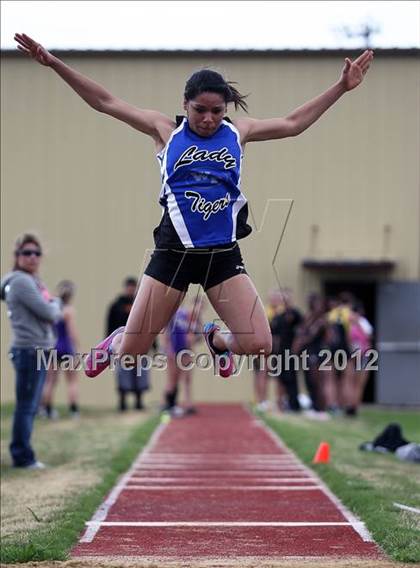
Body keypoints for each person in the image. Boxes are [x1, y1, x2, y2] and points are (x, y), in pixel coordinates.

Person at [14, 33, 374, 378]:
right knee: (130, 355)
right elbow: (105, 102)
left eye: (217, 111)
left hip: (221, 254)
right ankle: (113, 344)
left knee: (261, 344)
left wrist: (341, 87)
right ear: (185, 104)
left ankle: (217, 340)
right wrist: (53, 63)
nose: (208, 119)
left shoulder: (239, 132)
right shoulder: (165, 130)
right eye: (200, 110)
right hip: (173, 253)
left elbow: (294, 124)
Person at [1, 233, 62, 469]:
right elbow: (50, 314)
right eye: (27, 253)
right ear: (17, 256)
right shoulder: (21, 281)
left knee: (30, 405)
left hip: (36, 349)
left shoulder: (33, 280)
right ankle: (22, 456)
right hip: (29, 350)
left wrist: (52, 304)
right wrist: (56, 303)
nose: (33, 257)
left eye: (37, 253)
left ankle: (22, 452)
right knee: (27, 406)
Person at [106, 277, 150, 411]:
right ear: (125, 288)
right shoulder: (116, 305)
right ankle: (122, 402)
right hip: (121, 344)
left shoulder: (141, 304)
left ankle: (139, 402)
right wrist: (109, 344)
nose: (131, 289)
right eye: (129, 287)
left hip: (139, 343)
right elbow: (109, 326)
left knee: (140, 372)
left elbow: (148, 324)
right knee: (122, 373)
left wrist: (151, 344)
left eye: (133, 287)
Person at [40, 280, 80, 419]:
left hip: (53, 347)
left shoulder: (52, 309)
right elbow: (71, 332)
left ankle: (47, 410)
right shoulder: (68, 310)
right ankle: (74, 410)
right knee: (72, 380)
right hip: (66, 347)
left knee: (50, 381)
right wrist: (77, 346)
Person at [270, 288, 303, 412]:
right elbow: (275, 336)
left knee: (291, 378)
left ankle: (294, 404)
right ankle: (282, 403)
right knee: (281, 378)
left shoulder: (295, 313)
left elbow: (301, 331)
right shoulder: (279, 316)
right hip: (280, 352)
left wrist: (296, 348)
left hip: (291, 351)